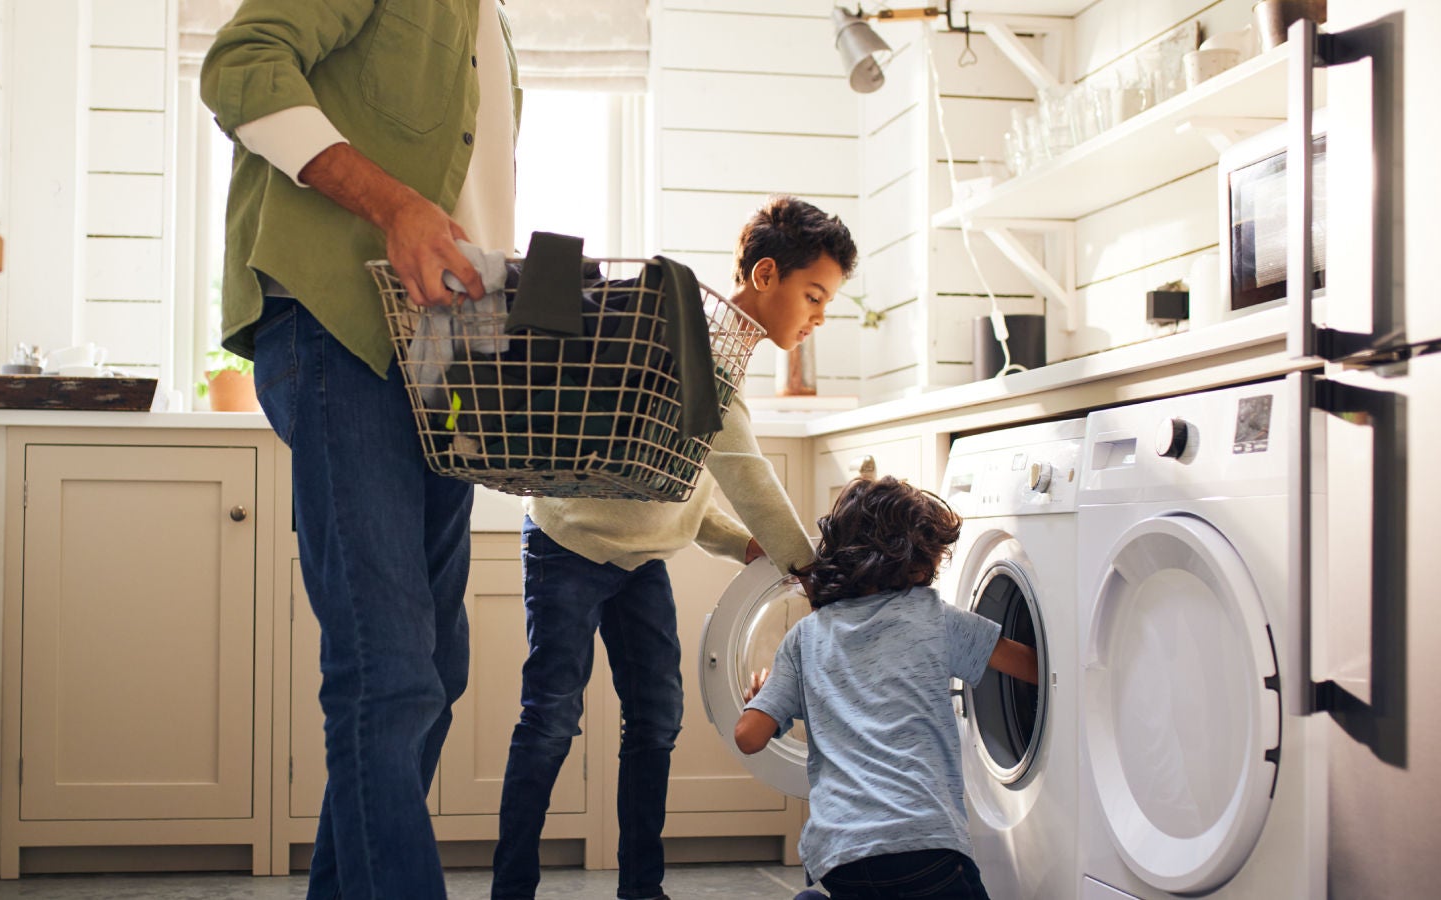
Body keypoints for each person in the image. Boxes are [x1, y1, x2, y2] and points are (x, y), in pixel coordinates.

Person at [200, 2, 518, 897]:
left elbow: (470, 195)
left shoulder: (493, 27)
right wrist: (394, 205)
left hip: (450, 354)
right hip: (341, 321)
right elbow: (241, 63)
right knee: (389, 667)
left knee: (432, 669)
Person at [490, 196, 859, 900]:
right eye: (813, 295)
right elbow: (743, 470)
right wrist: (811, 570)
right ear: (766, 274)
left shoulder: (722, 355)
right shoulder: (701, 345)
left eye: (828, 302)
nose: (818, 316)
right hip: (570, 542)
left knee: (656, 719)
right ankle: (511, 890)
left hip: (640, 559)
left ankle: (642, 889)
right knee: (551, 717)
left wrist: (736, 542)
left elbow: (677, 479)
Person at [737, 476, 1040, 900]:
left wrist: (763, 703)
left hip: (839, 857)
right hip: (926, 849)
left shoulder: (805, 637)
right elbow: (1033, 667)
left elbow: (749, 737)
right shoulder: (933, 616)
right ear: (917, 563)